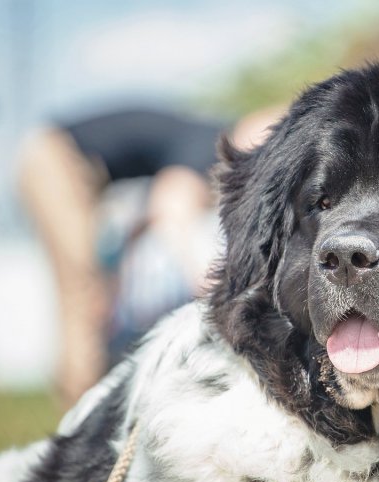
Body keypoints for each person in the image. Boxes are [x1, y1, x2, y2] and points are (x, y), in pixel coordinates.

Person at [19, 108, 226, 405]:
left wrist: (116, 274)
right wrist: (203, 278)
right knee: (83, 294)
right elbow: (168, 211)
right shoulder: (208, 143)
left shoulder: (194, 139)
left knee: (96, 294)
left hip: (73, 165)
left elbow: (143, 222)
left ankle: (89, 403)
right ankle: (79, 415)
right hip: (55, 159)